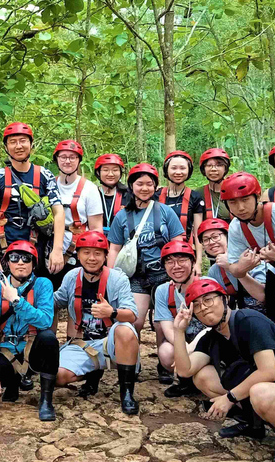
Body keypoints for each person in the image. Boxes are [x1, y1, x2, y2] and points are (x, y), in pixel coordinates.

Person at [175, 278, 275, 456]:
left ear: (225, 299)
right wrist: (179, 331)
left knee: (261, 393)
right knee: (202, 376)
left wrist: (229, 398)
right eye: (196, 305)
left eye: (208, 300)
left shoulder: (249, 320)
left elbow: (269, 371)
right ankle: (253, 423)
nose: (203, 307)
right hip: (274, 387)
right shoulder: (212, 337)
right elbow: (184, 371)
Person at [107, 163, 184, 385]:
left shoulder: (166, 211)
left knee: (162, 323)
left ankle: (164, 364)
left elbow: (178, 240)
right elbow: (114, 248)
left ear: (155, 186)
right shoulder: (122, 216)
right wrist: (112, 278)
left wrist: (179, 270)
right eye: (139, 183)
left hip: (164, 276)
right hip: (136, 276)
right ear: (131, 186)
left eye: (149, 184)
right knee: (136, 321)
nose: (144, 188)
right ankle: (132, 362)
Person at [0, 241, 58, 420]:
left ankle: (46, 401)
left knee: (49, 338)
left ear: (34, 263)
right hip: (6, 351)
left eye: (26, 258)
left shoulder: (43, 285)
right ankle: (12, 381)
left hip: (32, 350)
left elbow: (45, 320)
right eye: (14, 258)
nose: (21, 263)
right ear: (7, 263)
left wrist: (17, 301)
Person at [54, 231, 140, 415]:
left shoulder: (118, 278)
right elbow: (57, 301)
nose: (92, 258)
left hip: (110, 341)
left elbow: (132, 315)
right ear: (78, 255)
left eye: (97, 253)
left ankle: (127, 394)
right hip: (81, 342)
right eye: (86, 252)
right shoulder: (71, 277)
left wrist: (112, 312)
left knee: (125, 330)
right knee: (59, 377)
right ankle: (92, 373)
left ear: (105, 255)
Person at [0, 122, 65, 287]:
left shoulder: (44, 175)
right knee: (1, 301)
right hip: (4, 247)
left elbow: (59, 212)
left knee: (37, 299)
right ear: (6, 147)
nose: (18, 146)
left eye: (23, 141)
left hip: (37, 249)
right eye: (13, 142)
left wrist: (57, 250)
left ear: (31, 144)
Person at [222, 172, 275, 331]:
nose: (241, 208)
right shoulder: (236, 228)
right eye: (233, 202)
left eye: (245, 200)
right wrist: (242, 267)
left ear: (257, 196)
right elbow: (235, 268)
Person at [153, 241, 205, 397]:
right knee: (166, 352)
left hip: (208, 342)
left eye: (182, 260)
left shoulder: (207, 285)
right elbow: (168, 329)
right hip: (183, 337)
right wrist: (184, 351)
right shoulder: (163, 291)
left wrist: (190, 350)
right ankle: (186, 381)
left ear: (193, 262)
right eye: (170, 262)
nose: (176, 266)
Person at [52, 140, 103, 287]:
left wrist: (91, 257)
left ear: (79, 160)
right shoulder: (50, 185)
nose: (67, 161)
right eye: (63, 157)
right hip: (51, 250)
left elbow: (96, 228)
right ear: (57, 159)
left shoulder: (89, 189)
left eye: (72, 157)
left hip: (77, 251)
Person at [200, 218, 267, 315]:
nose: (211, 242)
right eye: (205, 240)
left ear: (228, 237)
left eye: (215, 237)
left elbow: (263, 295)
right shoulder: (214, 271)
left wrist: (232, 267)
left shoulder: (251, 256)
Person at [156, 151, 205, 275]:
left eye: (182, 168)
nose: (178, 172)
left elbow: (198, 233)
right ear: (167, 170)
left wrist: (198, 262)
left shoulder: (194, 197)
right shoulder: (156, 195)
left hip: (184, 254)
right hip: (157, 254)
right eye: (174, 168)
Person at [94, 154, 128, 236]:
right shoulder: (92, 194)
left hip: (121, 240)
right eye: (105, 170)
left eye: (115, 170)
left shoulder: (128, 194)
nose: (110, 174)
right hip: (96, 240)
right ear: (98, 172)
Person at [197, 148, 231, 221]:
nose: (213, 169)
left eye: (219, 165)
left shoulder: (234, 192)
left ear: (225, 168)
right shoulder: (198, 194)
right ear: (204, 169)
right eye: (209, 165)